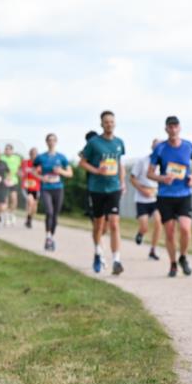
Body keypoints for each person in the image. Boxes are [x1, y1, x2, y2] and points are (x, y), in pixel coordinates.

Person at [148, 118, 192, 277]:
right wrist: (163, 178)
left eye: (175, 126)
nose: (173, 129)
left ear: (179, 128)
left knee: (185, 228)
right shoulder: (160, 149)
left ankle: (183, 257)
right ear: (166, 129)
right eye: (170, 127)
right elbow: (149, 173)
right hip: (165, 196)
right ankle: (173, 264)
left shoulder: (188, 146)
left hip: (184, 194)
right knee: (169, 232)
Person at [79, 111, 126, 275]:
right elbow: (82, 163)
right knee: (99, 225)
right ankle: (98, 252)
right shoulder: (94, 143)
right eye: (106, 122)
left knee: (114, 223)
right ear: (101, 124)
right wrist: (97, 170)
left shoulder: (119, 143)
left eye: (112, 122)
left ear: (115, 123)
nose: (109, 124)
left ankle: (116, 260)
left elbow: (120, 164)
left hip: (113, 188)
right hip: (97, 189)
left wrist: (122, 182)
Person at [34, 135, 72, 251]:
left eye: (53, 140)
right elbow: (33, 170)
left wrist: (61, 171)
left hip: (58, 188)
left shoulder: (61, 157)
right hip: (46, 188)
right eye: (49, 140)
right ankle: (48, 237)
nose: (51, 142)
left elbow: (70, 173)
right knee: (49, 212)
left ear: (56, 142)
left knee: (55, 215)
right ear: (46, 142)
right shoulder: (41, 157)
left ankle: (51, 237)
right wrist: (41, 177)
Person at [130, 138, 163, 260]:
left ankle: (153, 250)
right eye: (156, 146)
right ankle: (141, 233)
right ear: (152, 147)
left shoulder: (164, 163)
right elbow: (132, 178)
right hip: (142, 198)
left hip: (155, 197)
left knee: (159, 223)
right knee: (144, 226)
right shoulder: (142, 161)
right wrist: (142, 190)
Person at [0, 144, 23, 226]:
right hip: (4, 182)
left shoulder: (17, 158)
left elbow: (20, 169)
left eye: (9, 149)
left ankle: (11, 213)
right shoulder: (1, 157)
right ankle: (5, 216)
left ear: (12, 151)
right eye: (6, 149)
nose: (7, 151)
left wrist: (20, 173)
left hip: (14, 181)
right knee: (5, 200)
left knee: (14, 199)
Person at [20, 147, 41, 228]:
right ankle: (28, 220)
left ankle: (29, 219)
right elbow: (20, 171)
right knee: (30, 201)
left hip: (36, 187)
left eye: (35, 154)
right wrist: (20, 174)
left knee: (34, 207)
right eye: (32, 154)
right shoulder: (25, 162)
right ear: (30, 154)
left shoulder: (40, 164)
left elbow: (42, 174)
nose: (34, 155)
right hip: (26, 187)